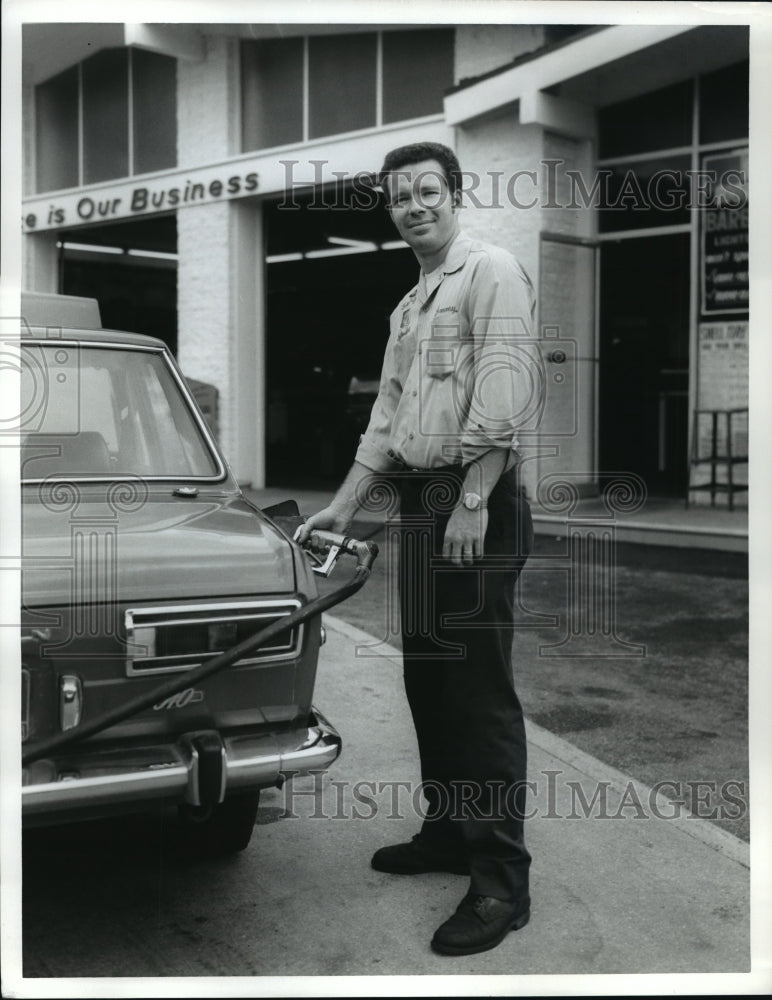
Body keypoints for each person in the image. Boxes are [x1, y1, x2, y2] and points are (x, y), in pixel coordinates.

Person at [296, 142, 535, 956]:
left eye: (428, 191)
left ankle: (502, 884)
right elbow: (388, 421)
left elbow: (506, 386)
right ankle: (447, 832)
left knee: (479, 695)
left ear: (455, 194)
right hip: (423, 505)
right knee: (429, 681)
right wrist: (341, 507)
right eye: (400, 197)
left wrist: (472, 498)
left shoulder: (491, 271)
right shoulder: (410, 305)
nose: (414, 206)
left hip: (476, 500)